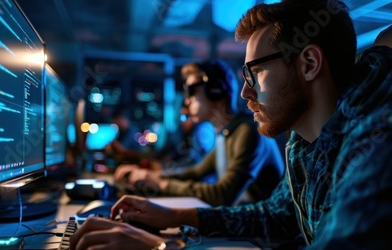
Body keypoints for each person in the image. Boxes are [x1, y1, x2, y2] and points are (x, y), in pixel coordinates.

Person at [69, 0, 392, 250]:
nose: (245, 95)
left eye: (255, 73)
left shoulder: (388, 139)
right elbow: (277, 216)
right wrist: (174, 215)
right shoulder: (306, 139)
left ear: (309, 64)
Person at [113, 58, 285, 206]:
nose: (187, 102)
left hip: (265, 241)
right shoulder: (227, 134)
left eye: (192, 92)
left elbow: (222, 195)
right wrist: (152, 176)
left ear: (216, 90)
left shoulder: (248, 132)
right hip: (245, 232)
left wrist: (161, 184)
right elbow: (195, 172)